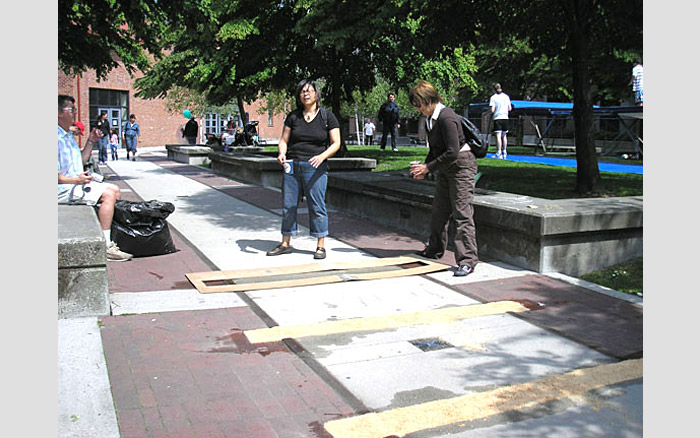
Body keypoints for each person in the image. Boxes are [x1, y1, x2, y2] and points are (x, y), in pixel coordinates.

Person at [408, 80, 478, 277]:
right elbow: (436, 150)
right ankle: (435, 249)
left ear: (428, 100)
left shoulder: (447, 117)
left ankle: (467, 260)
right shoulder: (431, 119)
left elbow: (453, 152)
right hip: (447, 168)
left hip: (461, 166)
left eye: (419, 105)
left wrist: (428, 167)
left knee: (462, 214)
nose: (418, 109)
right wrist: (424, 169)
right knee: (439, 212)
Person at [267, 79, 341, 260]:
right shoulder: (293, 117)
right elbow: (284, 140)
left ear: (316, 94)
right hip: (292, 165)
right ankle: (285, 242)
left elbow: (336, 143)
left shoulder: (327, 117)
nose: (306, 94)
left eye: (309, 91)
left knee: (317, 205)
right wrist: (282, 153)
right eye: (302, 91)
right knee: (288, 205)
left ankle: (320, 245)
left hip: (315, 166)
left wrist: (322, 156)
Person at [58, 95, 133, 261]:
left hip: (75, 184)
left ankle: (110, 235)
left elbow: (82, 161)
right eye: (71, 110)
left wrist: (91, 142)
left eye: (75, 109)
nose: (75, 113)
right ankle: (105, 246)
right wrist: (76, 181)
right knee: (108, 195)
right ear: (58, 113)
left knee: (115, 190)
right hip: (62, 189)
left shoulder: (68, 136)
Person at [489, 83, 512, 159]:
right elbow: (509, 108)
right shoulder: (506, 97)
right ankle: (504, 151)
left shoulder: (493, 98)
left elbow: (492, 110)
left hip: (498, 117)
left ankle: (498, 152)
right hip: (505, 117)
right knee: (504, 135)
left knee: (498, 135)